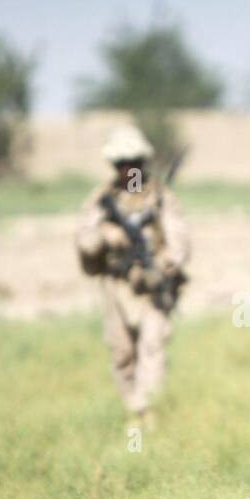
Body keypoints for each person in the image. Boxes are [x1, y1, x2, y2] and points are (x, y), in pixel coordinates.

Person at [75, 126, 190, 430]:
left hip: (152, 287)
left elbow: (178, 243)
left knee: (152, 347)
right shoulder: (102, 200)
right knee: (122, 352)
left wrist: (161, 268)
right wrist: (107, 235)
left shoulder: (161, 198)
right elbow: (84, 240)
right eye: (121, 164)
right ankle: (131, 409)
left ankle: (146, 414)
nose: (128, 170)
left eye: (134, 162)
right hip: (116, 286)